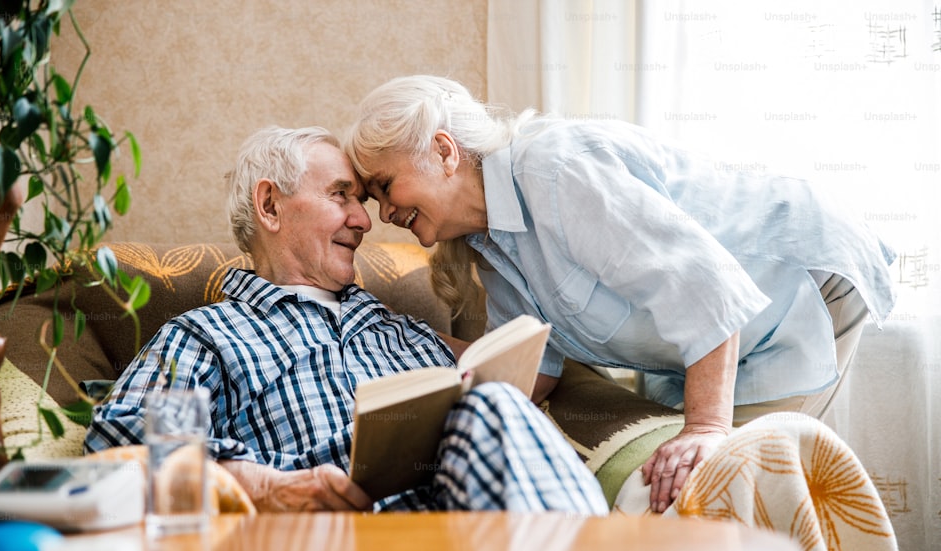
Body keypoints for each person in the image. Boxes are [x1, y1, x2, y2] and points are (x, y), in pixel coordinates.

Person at [343, 74, 897, 513]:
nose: (386, 214)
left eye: (385, 186)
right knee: (685, 495)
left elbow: (702, 286)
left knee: (729, 489)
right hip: (719, 333)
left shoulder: (555, 170)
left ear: (443, 151)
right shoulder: (489, 247)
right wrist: (397, 344)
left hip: (796, 284)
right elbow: (535, 370)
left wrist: (706, 428)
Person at [84, 125, 608, 516]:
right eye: (341, 195)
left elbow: (514, 400)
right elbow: (114, 449)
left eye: (362, 200)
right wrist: (265, 487)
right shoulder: (204, 336)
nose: (363, 221)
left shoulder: (406, 332)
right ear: (270, 205)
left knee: (492, 399)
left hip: (466, 541)